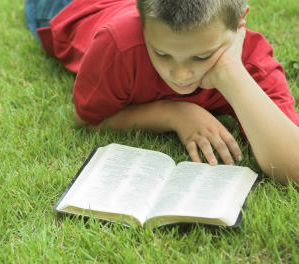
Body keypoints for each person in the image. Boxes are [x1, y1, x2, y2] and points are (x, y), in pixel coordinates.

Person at [25, 0, 299, 185]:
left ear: (240, 23)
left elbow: (293, 166)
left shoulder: (252, 61)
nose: (180, 75)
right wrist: (174, 113)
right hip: (67, 7)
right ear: (142, 23)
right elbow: (87, 119)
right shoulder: (119, 44)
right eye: (161, 53)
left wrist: (231, 71)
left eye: (202, 56)